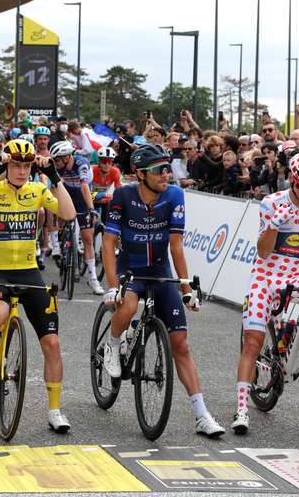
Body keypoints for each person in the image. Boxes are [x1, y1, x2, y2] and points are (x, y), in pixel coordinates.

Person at [101, 144, 226, 438]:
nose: (167, 174)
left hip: (159, 270)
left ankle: (202, 414)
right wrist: (111, 286)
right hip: (129, 267)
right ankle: (113, 342)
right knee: (128, 306)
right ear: (141, 174)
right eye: (160, 170)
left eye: (168, 168)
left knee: (180, 344)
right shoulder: (123, 195)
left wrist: (186, 288)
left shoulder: (174, 195)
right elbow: (108, 242)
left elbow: (176, 246)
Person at [0, 139, 76, 433]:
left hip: (29, 272)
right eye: (15, 165)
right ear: (7, 165)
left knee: (52, 344)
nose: (21, 171)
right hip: (0, 270)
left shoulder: (37, 191)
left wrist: (54, 177)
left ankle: (54, 411)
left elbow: (68, 214)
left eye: (26, 166)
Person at [233, 151, 299, 434]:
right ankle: (242, 409)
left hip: (295, 274)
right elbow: (263, 251)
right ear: (292, 179)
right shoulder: (272, 202)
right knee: (253, 342)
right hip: (265, 276)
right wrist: (273, 225)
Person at [51, 140, 103, 295]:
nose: (55, 163)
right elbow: (53, 188)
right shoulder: (57, 167)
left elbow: (85, 187)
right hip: (67, 197)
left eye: (57, 160)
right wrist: (55, 208)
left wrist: (91, 209)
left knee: (87, 238)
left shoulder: (82, 164)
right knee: (57, 212)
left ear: (67, 158)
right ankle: (61, 241)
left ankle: (93, 279)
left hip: (82, 199)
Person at [91, 147, 121, 221]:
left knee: (107, 220)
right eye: (104, 161)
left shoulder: (115, 172)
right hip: (90, 198)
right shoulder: (91, 171)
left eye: (110, 162)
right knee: (91, 222)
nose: (107, 165)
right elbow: (85, 192)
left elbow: (119, 191)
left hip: (104, 200)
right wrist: (105, 196)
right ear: (99, 162)